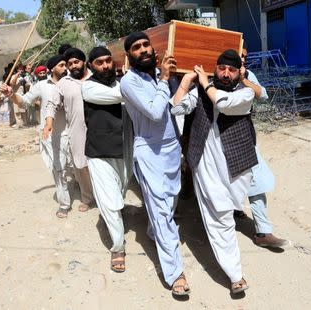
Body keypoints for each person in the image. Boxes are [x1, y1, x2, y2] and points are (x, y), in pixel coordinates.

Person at [171, 49, 259, 295]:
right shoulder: (199, 89)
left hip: (236, 165)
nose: (226, 73)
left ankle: (230, 259)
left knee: (228, 211)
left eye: (232, 69)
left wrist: (204, 83)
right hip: (205, 164)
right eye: (222, 68)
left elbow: (223, 103)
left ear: (239, 71)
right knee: (220, 218)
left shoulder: (246, 92)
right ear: (216, 67)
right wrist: (187, 82)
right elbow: (177, 109)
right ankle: (235, 275)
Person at [120, 32, 190, 297]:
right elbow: (154, 110)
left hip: (172, 149)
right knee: (162, 211)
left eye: (146, 45)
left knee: (168, 204)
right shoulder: (129, 82)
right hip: (149, 152)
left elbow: (175, 105)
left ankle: (152, 230)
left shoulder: (161, 74)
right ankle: (175, 274)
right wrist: (164, 79)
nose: (143, 50)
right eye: (136, 48)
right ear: (130, 55)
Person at [81, 46, 133, 272]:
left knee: (120, 193)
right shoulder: (89, 87)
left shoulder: (120, 82)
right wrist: (132, 78)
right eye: (99, 62)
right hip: (99, 152)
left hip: (125, 149)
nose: (104, 66)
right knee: (109, 202)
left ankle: (115, 220)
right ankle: (118, 247)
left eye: (108, 61)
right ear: (91, 66)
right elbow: (122, 96)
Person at [0, 55, 71, 218]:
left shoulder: (72, 83)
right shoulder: (41, 86)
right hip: (53, 135)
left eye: (65, 65)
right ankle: (64, 203)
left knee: (76, 168)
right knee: (59, 170)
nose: (65, 68)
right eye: (61, 65)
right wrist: (11, 94)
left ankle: (86, 196)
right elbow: (24, 102)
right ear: (52, 68)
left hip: (74, 132)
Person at [235, 47, 287, 248]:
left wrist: (244, 80)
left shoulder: (247, 75)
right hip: (219, 137)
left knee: (256, 181)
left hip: (245, 135)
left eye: (244, 56)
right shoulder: (220, 74)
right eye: (239, 55)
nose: (242, 59)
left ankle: (263, 232)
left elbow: (263, 95)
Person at [45, 48, 95, 217]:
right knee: (81, 166)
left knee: (100, 164)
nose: (73, 66)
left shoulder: (95, 78)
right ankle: (87, 197)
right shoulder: (63, 83)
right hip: (77, 131)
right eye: (69, 63)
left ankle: (105, 197)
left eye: (76, 62)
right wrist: (49, 123)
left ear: (84, 62)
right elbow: (52, 104)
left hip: (99, 129)